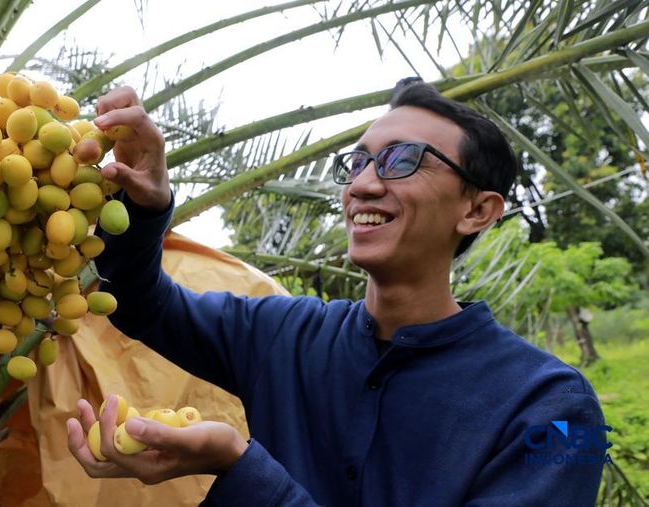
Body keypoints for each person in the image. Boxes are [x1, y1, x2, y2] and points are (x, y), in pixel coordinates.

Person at [64, 80, 607, 506]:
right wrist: (147, 203)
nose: (363, 185)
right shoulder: (283, 335)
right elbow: (142, 302)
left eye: (403, 160)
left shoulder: (553, 409)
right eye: (358, 162)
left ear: (477, 210)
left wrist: (237, 465)